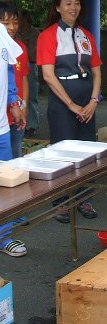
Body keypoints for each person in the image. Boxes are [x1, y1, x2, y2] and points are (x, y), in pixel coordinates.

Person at [37, 0, 102, 223]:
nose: (73, 7)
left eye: (77, 3)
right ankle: (62, 201)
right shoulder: (48, 35)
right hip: (63, 97)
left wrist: (94, 100)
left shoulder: (86, 35)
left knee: (86, 150)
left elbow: (97, 72)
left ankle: (84, 197)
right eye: (68, 3)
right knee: (62, 152)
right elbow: (48, 76)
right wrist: (72, 105)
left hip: (87, 96)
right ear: (58, 7)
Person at [0, 22, 28, 257]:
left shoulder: (2, 34)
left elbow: (10, 71)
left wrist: (14, 103)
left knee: (5, 184)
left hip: (1, 127)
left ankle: (4, 237)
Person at [0, 1, 29, 159]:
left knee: (12, 166)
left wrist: (18, 105)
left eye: (15, 22)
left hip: (7, 121)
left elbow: (17, 80)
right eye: (5, 23)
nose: (11, 27)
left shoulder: (17, 48)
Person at [17, 9, 40, 137]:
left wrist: (23, 47)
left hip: (31, 65)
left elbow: (33, 54)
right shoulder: (16, 33)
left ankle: (33, 125)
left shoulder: (34, 33)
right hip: (17, 65)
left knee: (31, 96)